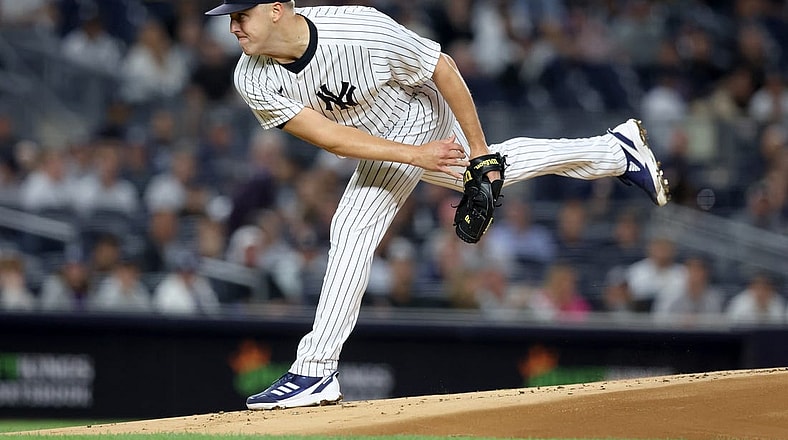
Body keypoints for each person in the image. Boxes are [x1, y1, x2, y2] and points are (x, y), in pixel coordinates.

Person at [204, 0, 669, 410]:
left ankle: (315, 369)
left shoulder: (361, 31)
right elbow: (330, 137)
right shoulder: (251, 76)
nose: (233, 28)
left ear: (276, 8)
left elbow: (442, 67)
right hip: (386, 140)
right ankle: (616, 151)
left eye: (241, 15)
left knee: (352, 227)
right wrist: (449, 160)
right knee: (455, 178)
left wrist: (478, 151)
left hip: (418, 111)